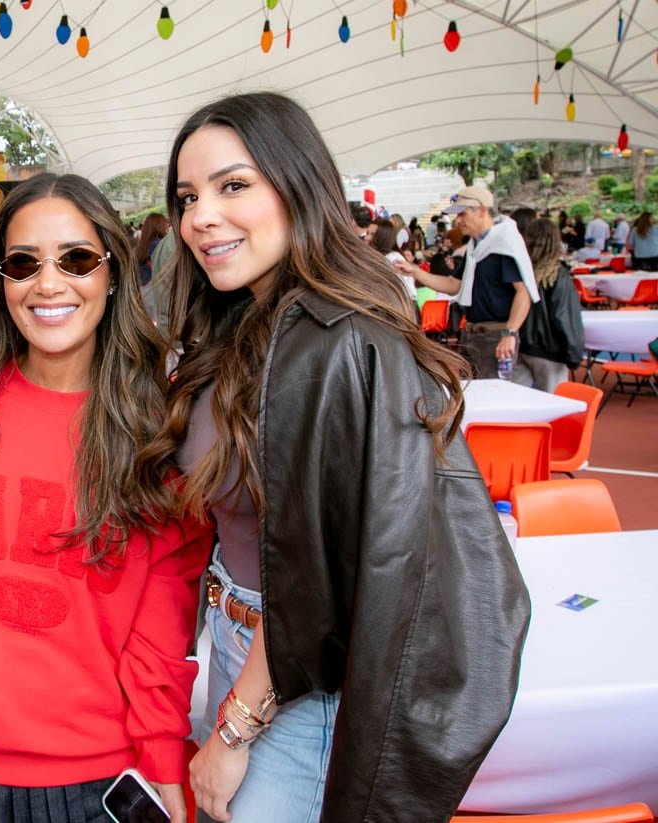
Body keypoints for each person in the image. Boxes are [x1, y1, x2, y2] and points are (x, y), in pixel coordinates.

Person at [143, 91, 528, 823]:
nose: (199, 217)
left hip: (293, 681)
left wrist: (233, 726)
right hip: (237, 642)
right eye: (188, 196)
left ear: (297, 185)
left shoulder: (343, 340)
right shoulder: (247, 323)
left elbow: (327, 579)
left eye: (233, 186)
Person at [0, 173, 211, 823]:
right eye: (22, 263)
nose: (48, 283)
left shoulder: (160, 424)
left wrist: (162, 761)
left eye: (75, 258)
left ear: (113, 270)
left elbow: (163, 623)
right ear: (0, 279)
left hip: (98, 777)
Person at [400, 186, 539, 383]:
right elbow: (454, 285)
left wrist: (509, 332)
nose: (459, 221)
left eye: (463, 214)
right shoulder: (476, 246)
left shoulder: (503, 244)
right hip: (472, 333)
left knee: (493, 397)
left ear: (481, 211)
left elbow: (523, 292)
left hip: (494, 335)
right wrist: (416, 272)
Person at [517, 218, 585, 392]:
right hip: (549, 349)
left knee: (518, 403)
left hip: (520, 346)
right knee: (553, 403)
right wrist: (574, 354)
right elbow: (564, 316)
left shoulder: (520, 272)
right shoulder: (557, 275)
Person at [135, 212, 170, 286]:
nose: (167, 225)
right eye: (165, 223)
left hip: (144, 286)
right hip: (158, 286)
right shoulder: (160, 244)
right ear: (159, 226)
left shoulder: (141, 246)